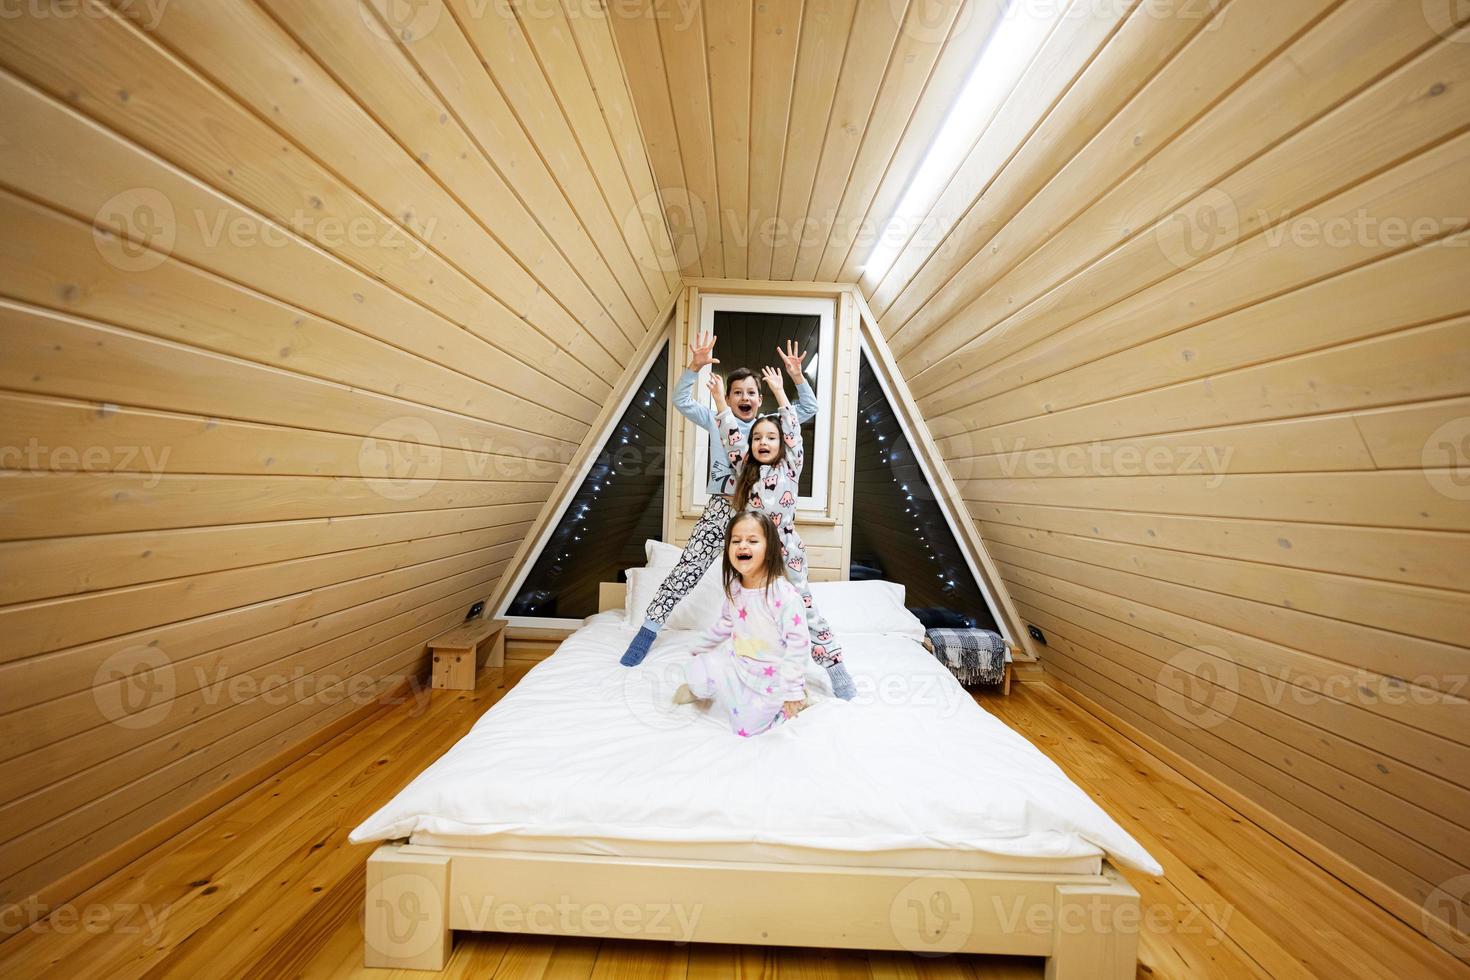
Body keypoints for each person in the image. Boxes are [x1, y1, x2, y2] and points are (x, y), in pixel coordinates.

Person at [619, 330, 817, 667]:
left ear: (759, 399)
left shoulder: (767, 428)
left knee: (782, 579)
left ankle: (797, 645)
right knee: (687, 569)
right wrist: (694, 367)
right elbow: (681, 401)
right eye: (737, 392)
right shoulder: (716, 419)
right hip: (721, 507)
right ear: (727, 396)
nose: (745, 397)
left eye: (751, 393)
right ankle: (648, 631)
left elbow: (808, 410)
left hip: (758, 512)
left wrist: (796, 378)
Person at [709, 366, 854, 698]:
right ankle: (749, 667)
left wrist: (779, 390)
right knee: (747, 606)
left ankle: (834, 666)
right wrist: (719, 399)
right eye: (757, 438)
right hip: (754, 548)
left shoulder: (791, 465)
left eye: (770, 437)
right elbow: (731, 434)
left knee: (803, 604)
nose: (763, 442)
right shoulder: (745, 468)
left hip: (786, 546)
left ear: (782, 444)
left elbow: (791, 428)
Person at [674, 511, 809, 737]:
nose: (742, 546)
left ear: (769, 550)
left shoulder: (782, 594)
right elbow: (726, 623)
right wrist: (701, 648)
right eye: (736, 541)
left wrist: (792, 689)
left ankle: (798, 698)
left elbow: (798, 644)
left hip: (770, 676)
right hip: (738, 664)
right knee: (698, 671)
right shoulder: (735, 588)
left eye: (753, 541)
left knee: (745, 729)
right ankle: (707, 686)